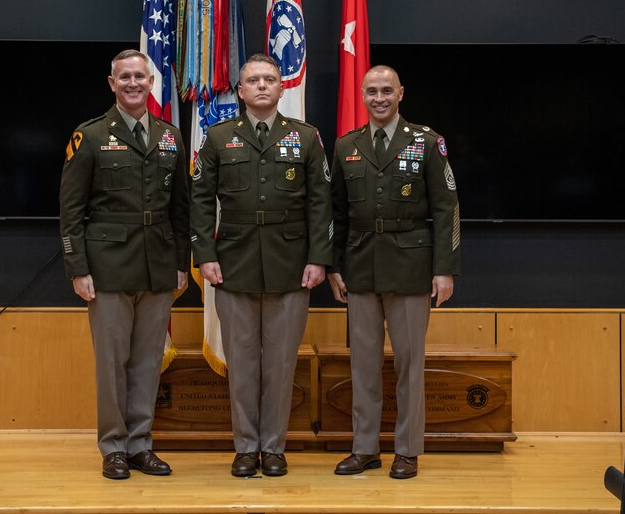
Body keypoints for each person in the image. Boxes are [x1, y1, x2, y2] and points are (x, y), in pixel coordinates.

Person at [190, 54, 332, 477]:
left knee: (281, 364)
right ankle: (245, 447)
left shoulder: (306, 138)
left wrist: (318, 259)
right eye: (253, 80)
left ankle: (274, 447)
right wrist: (206, 257)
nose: (262, 86)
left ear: (282, 87)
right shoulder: (217, 138)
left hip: (291, 266)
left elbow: (321, 203)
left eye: (270, 79)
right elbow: (199, 202)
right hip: (232, 265)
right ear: (240, 90)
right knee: (244, 363)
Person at [59, 49, 190, 480]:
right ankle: (113, 447)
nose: (133, 83)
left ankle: (140, 445)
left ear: (152, 83)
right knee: (112, 363)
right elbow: (71, 209)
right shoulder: (91, 135)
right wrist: (78, 267)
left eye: (140, 76)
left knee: (148, 362)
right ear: (112, 83)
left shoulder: (170, 136)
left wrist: (179, 263)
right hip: (108, 267)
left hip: (156, 265)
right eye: (124, 77)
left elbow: (180, 209)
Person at [328, 65, 461, 479]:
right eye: (372, 91)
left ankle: (407, 449)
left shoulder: (426, 141)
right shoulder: (346, 145)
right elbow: (337, 213)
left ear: (401, 93)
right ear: (363, 95)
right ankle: (364, 447)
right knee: (362, 365)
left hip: (411, 267)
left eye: (387, 90)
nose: (380, 98)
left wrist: (444, 269)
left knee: (409, 363)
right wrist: (334, 266)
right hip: (361, 266)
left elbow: (447, 209)